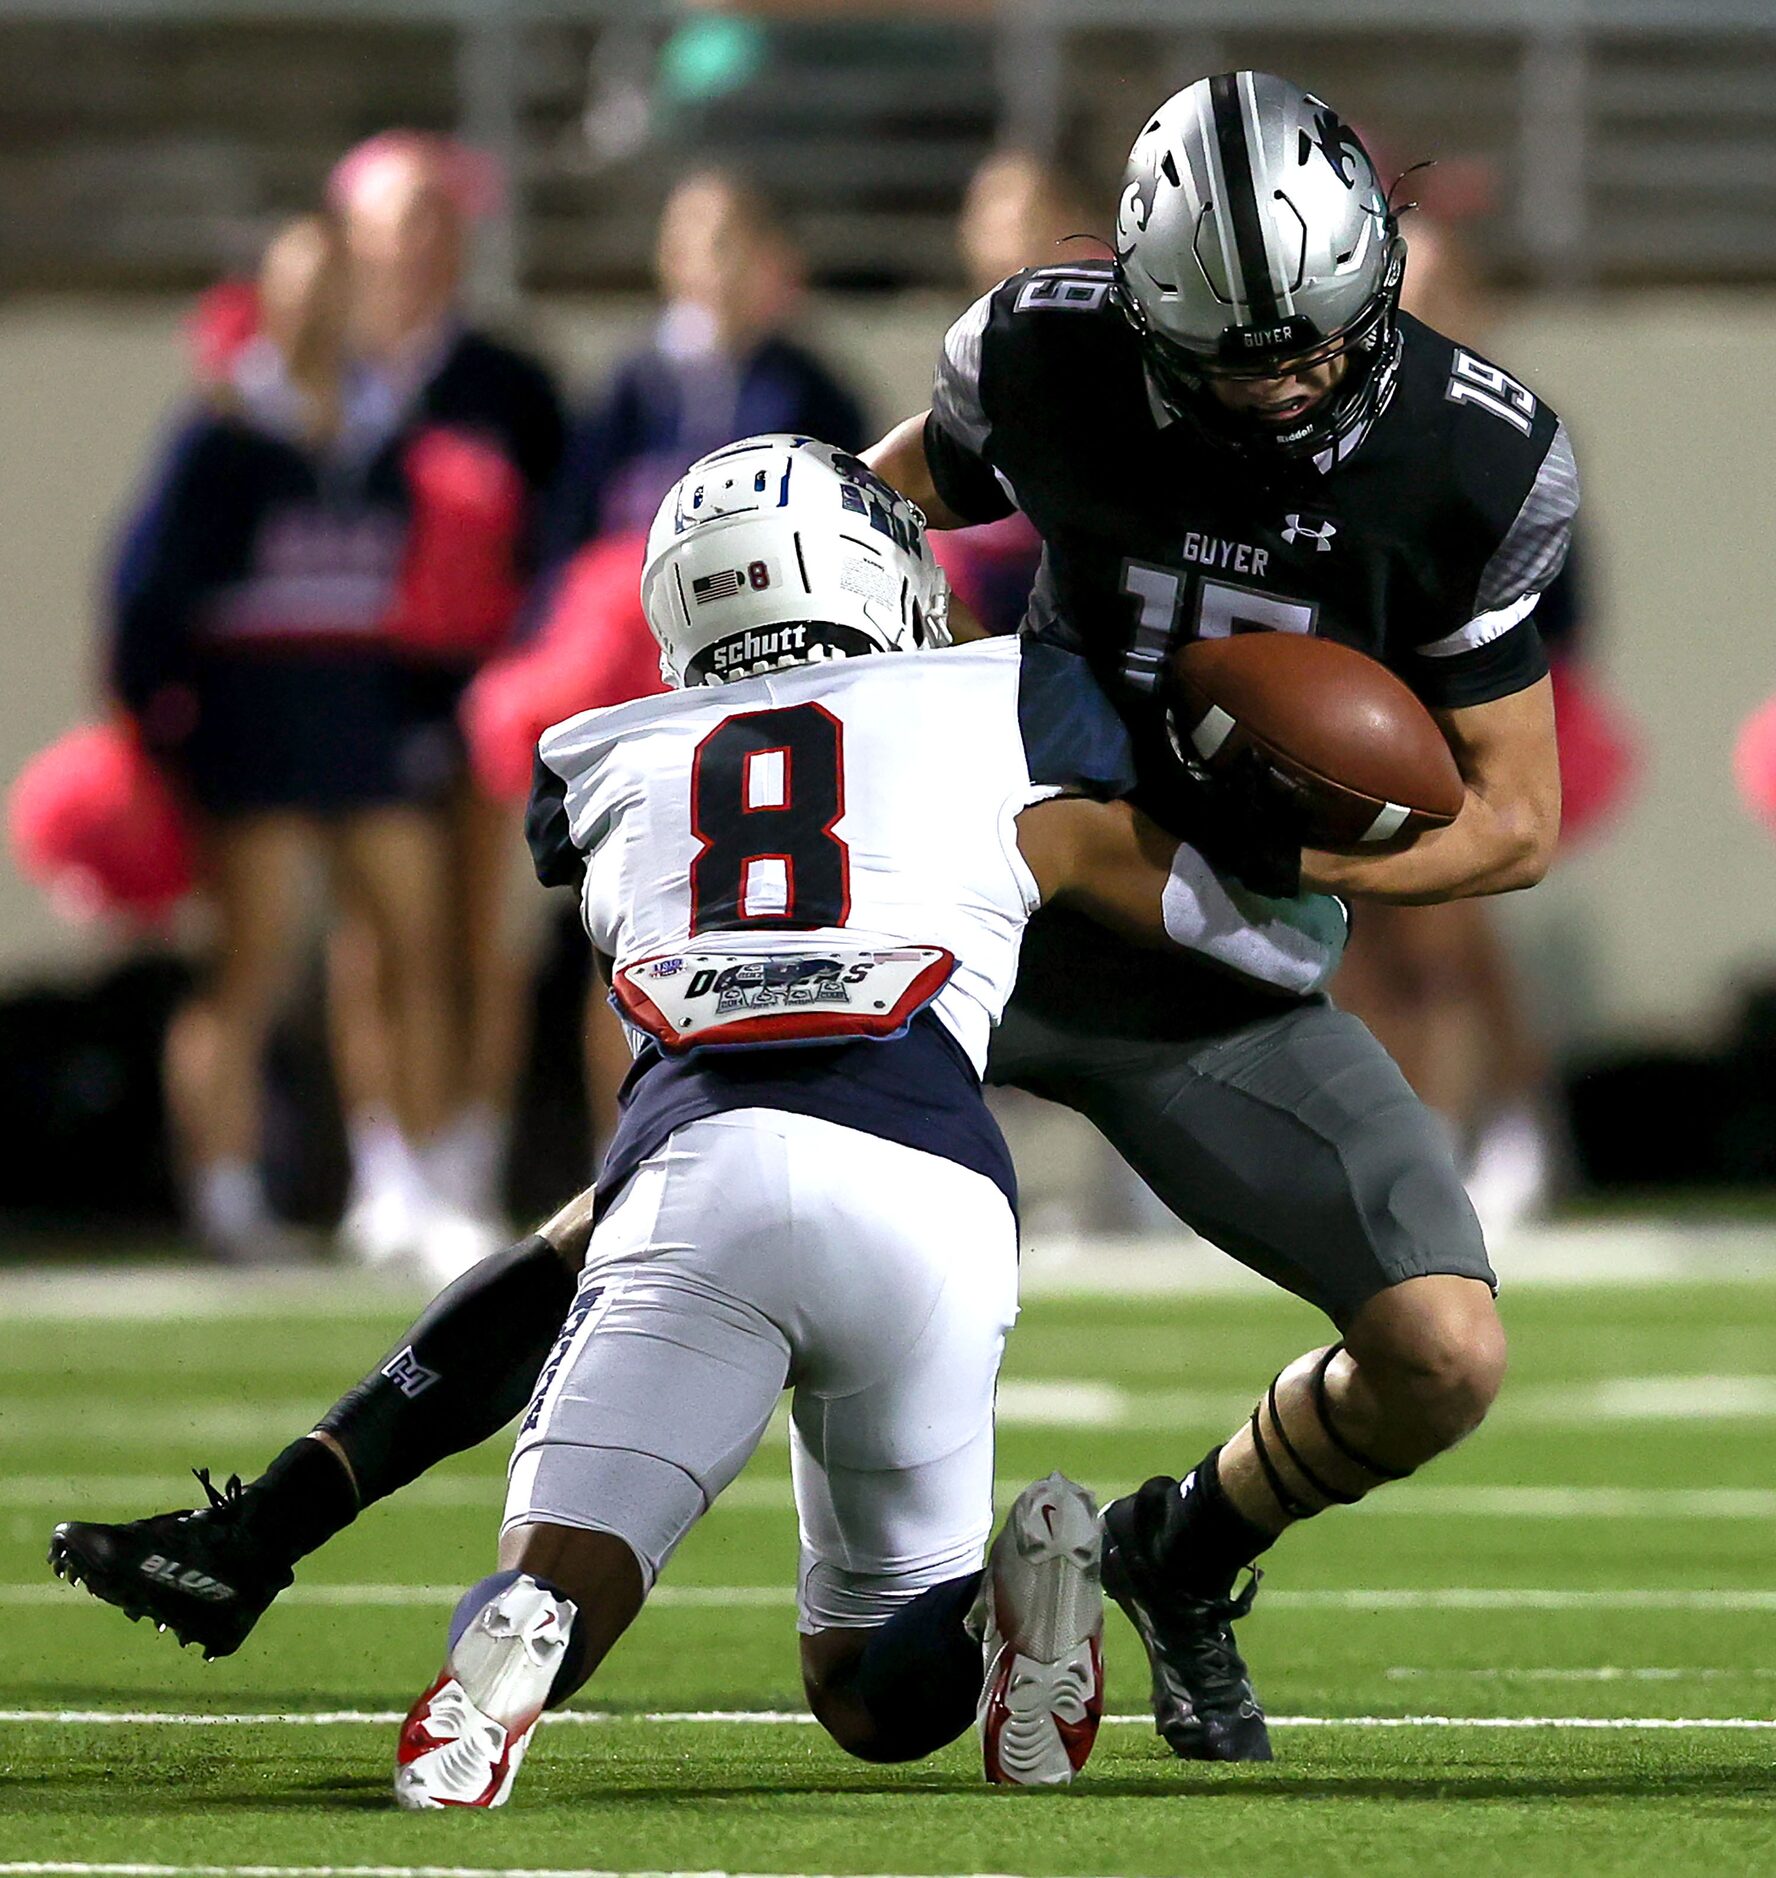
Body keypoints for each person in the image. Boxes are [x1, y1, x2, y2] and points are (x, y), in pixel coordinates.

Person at [51, 74, 1575, 1770]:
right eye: (1238, 359)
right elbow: (862, 504)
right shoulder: (1049, 361)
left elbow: (1513, 815)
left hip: (1202, 957)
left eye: (1319, 343)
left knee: (1442, 1349)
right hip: (975, 883)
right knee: (637, 1218)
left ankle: (1179, 1554)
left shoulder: (1474, 452)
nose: (1289, 385)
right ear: (1145, 318)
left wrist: (1284, 853)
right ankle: (271, 1520)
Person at [50, 437, 1349, 1802]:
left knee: (564, 1568)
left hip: (697, 1172)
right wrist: (1303, 835)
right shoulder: (1001, 704)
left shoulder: (600, 762)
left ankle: (521, 1648)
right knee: (871, 1687)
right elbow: (1272, 935)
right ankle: (996, 1607)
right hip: (935, 1191)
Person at [108, 212, 458, 1263]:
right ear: (266, 296)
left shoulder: (389, 426)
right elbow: (142, 597)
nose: (318, 305)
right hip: (253, 732)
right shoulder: (218, 428)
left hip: (361, 723)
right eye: (298, 284)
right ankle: (226, 1193)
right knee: (253, 962)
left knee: (406, 948)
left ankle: (403, 1184)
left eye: (336, 282)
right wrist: (167, 731)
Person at [327, 131, 568, 1271]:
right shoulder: (320, 369)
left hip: (482, 687)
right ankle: (388, 1166)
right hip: (351, 692)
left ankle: (468, 1159)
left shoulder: (506, 380)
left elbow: (554, 542)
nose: (420, 244)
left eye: (438, 219)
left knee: (483, 931)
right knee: (374, 936)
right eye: (397, 219)